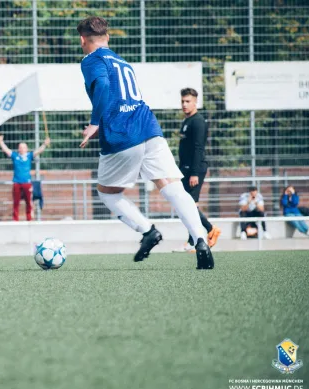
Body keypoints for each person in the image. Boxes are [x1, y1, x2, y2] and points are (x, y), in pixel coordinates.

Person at [77, 16, 213, 269]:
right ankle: (201, 241)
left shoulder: (91, 60)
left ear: (82, 40)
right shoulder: (122, 62)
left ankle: (147, 230)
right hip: (149, 129)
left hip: (121, 134)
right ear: (108, 37)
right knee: (172, 187)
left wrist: (96, 122)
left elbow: (104, 86)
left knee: (107, 193)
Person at [174, 88, 221, 252]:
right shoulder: (187, 121)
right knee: (188, 206)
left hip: (195, 170)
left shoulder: (198, 121)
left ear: (195, 102)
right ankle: (193, 241)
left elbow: (198, 148)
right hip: (185, 169)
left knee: (190, 206)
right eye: (182, 101)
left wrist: (194, 172)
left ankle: (209, 230)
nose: (184, 104)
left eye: (188, 101)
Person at [0, 135, 51, 221]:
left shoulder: (29, 156)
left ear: (26, 148)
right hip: (17, 182)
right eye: (20, 147)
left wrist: (44, 144)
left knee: (29, 201)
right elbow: (6, 150)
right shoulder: (15, 156)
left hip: (27, 182)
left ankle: (29, 218)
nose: (22, 149)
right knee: (16, 202)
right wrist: (0, 142)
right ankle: (15, 219)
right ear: (18, 149)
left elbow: (38, 151)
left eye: (24, 147)